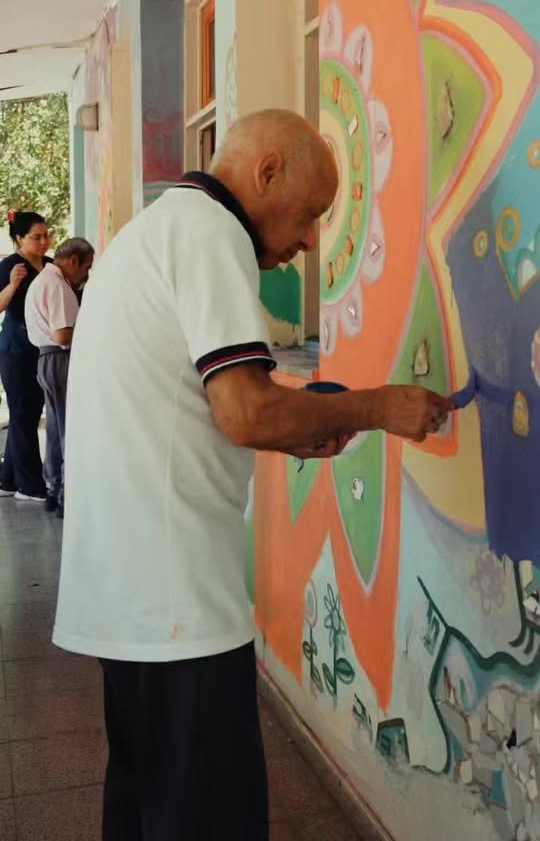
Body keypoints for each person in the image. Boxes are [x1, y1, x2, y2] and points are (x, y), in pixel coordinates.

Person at [53, 109, 452, 841]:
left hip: (129, 596)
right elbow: (246, 411)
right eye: (311, 214)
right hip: (177, 605)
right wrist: (380, 407)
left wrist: (304, 424)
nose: (309, 241)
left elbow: (196, 409)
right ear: (267, 172)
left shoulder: (155, 230)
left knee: (145, 808)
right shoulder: (211, 232)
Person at [24, 238, 94, 519]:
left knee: (56, 428)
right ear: (73, 261)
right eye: (86, 267)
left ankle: (53, 489)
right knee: (68, 427)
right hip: (59, 358)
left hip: (47, 359)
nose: (86, 275)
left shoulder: (44, 280)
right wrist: (93, 330)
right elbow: (63, 334)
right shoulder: (57, 285)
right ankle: (66, 493)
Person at [0, 212, 52, 501]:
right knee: (21, 414)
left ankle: (7, 479)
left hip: (41, 348)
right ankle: (29, 485)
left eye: (46, 235)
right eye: (36, 237)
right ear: (20, 239)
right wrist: (12, 285)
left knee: (29, 414)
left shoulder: (50, 265)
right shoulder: (10, 266)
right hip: (15, 349)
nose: (44, 241)